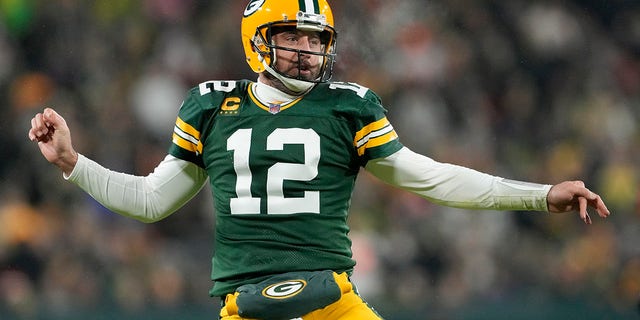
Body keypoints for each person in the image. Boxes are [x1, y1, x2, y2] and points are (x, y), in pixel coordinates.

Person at [28, 0, 610, 319]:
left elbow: (430, 179)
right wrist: (74, 161)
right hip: (250, 301)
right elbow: (154, 202)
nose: (308, 50)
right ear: (258, 38)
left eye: (316, 40)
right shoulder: (210, 105)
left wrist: (538, 194)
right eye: (294, 37)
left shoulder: (346, 106)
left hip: (331, 295)